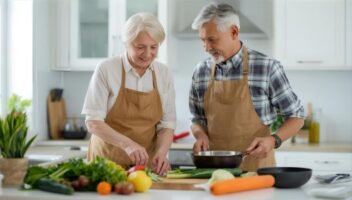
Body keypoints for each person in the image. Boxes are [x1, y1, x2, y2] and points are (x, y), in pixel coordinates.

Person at [189, 3, 305, 171]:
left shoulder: (267, 68)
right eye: (203, 40)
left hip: (257, 171)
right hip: (213, 172)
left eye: (212, 39)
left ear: (234, 32)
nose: (206, 47)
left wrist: (273, 140)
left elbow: (297, 116)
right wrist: (200, 134)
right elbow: (196, 119)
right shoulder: (201, 71)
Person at [82, 13, 176, 175]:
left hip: (145, 168)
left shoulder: (163, 73)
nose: (147, 54)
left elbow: (166, 125)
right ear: (126, 43)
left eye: (154, 47)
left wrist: (161, 153)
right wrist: (128, 144)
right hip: (105, 165)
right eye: (140, 47)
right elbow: (93, 122)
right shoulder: (107, 69)